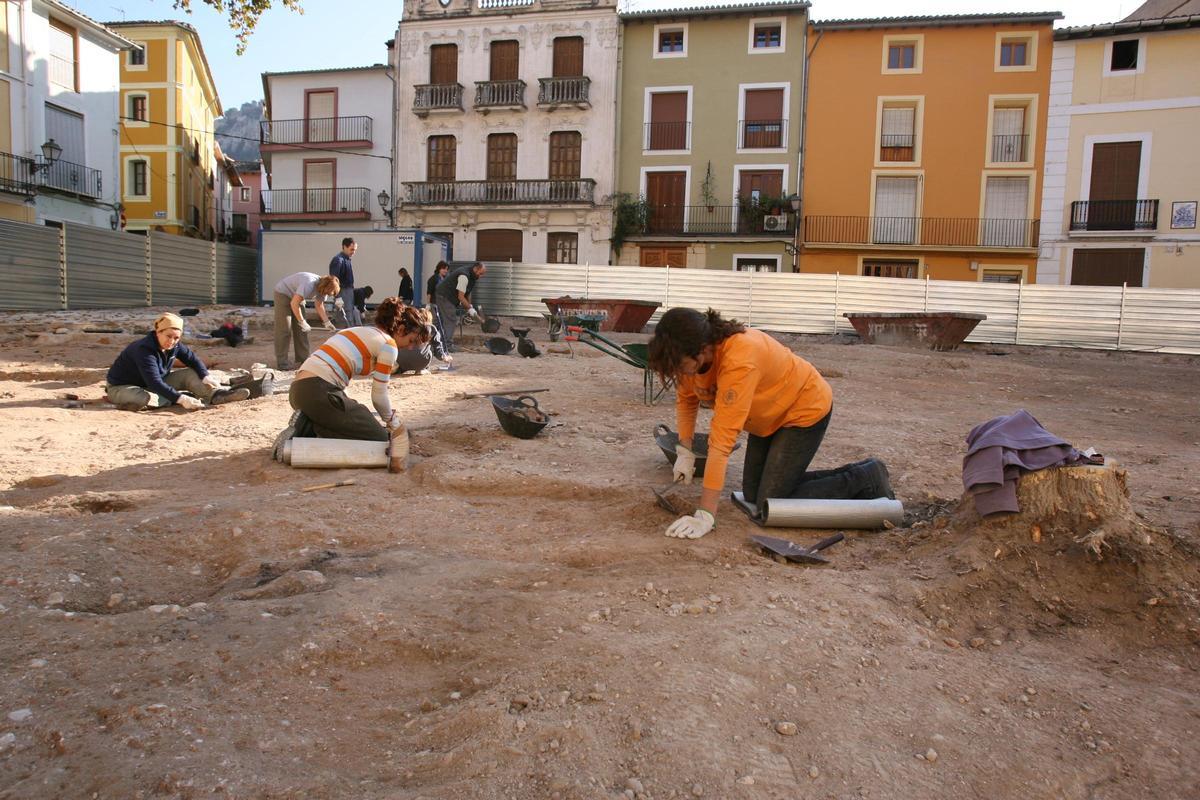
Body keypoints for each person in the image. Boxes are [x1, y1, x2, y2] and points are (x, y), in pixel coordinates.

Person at [647, 307, 893, 540]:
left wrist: (706, 514)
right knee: (754, 495)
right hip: (766, 417)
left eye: (680, 366)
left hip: (803, 409)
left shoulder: (739, 359)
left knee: (772, 499)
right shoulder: (693, 362)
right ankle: (848, 475)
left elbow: (721, 444)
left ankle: (866, 477)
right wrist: (685, 450)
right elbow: (687, 400)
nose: (679, 373)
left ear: (702, 349)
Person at [289, 297, 430, 441]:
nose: (410, 347)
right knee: (379, 437)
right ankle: (308, 429)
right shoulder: (389, 345)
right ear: (400, 330)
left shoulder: (359, 330)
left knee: (353, 420)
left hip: (298, 391)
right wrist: (394, 424)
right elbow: (379, 396)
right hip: (318, 391)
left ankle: (308, 423)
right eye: (411, 340)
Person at [106, 312, 250, 411]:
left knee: (190, 374)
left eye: (176, 338)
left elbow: (193, 360)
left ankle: (215, 395)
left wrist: (206, 376)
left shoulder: (174, 345)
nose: (172, 341)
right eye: (168, 336)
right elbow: (154, 382)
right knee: (142, 398)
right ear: (158, 332)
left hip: (155, 384)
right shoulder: (144, 350)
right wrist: (181, 399)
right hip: (124, 387)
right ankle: (174, 399)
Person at [273, 272, 338, 370]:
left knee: (302, 330)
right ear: (325, 287)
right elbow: (294, 303)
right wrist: (302, 321)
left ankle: (303, 359)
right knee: (284, 329)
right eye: (328, 293)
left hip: (297, 296)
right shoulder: (309, 284)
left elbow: (319, 305)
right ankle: (282, 364)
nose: (327, 295)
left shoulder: (323, 289)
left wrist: (326, 322)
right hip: (283, 293)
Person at [433, 261, 486, 353]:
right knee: (451, 319)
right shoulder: (464, 276)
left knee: (441, 321)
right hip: (445, 296)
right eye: (480, 274)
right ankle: (447, 345)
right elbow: (461, 297)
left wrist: (470, 306)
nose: (481, 276)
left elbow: (467, 292)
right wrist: (471, 310)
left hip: (444, 295)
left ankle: (436, 343)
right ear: (476, 269)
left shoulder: (472, 276)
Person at [393, 307, 452, 374]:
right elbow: (437, 348)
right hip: (421, 362)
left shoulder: (408, 326)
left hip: (401, 361)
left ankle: (400, 369)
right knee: (430, 345)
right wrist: (444, 357)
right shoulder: (431, 328)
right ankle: (422, 369)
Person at [328, 237, 360, 329]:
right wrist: (337, 297)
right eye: (352, 249)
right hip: (342, 291)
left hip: (348, 291)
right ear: (344, 247)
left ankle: (349, 336)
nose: (353, 252)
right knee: (344, 315)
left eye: (355, 250)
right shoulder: (338, 260)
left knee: (348, 314)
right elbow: (333, 280)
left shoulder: (346, 259)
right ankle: (345, 337)